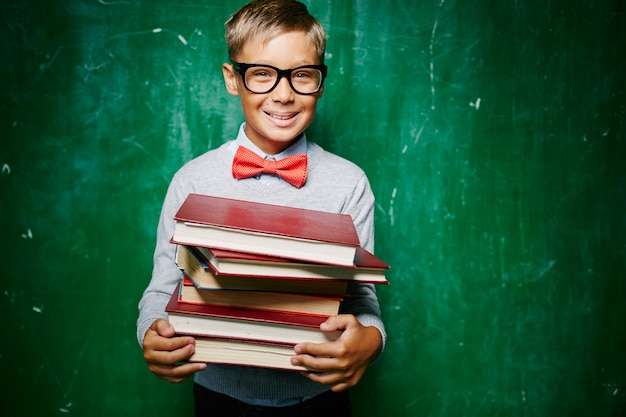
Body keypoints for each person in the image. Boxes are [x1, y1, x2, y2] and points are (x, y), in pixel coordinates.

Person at [136, 1, 386, 415]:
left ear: (320, 82)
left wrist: (370, 342)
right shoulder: (192, 180)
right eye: (263, 75)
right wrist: (150, 332)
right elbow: (163, 288)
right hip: (219, 397)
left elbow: (362, 304)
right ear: (233, 79)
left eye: (302, 75)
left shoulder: (349, 183)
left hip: (321, 400)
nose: (284, 94)